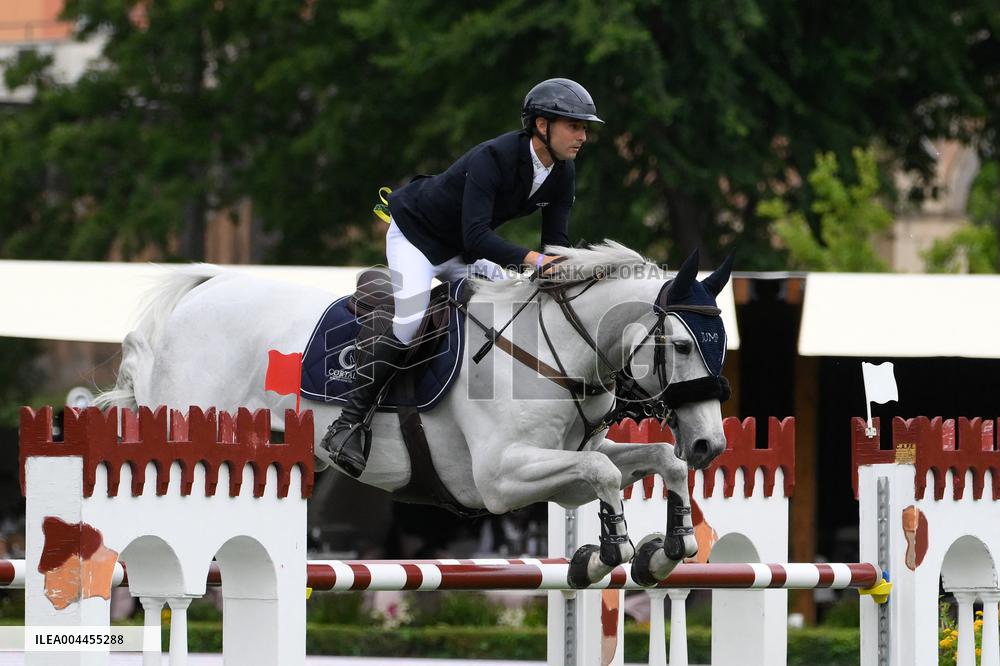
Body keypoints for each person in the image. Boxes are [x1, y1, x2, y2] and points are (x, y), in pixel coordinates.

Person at [317, 78, 603, 478]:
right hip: (417, 237)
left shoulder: (563, 172)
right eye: (574, 126)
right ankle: (347, 423)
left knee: (507, 300)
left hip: (463, 251)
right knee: (410, 318)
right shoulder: (494, 157)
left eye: (585, 128)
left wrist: (566, 274)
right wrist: (534, 260)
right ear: (542, 125)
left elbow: (554, 243)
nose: (582, 136)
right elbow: (478, 235)